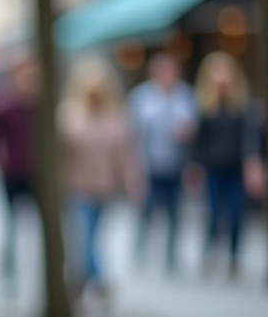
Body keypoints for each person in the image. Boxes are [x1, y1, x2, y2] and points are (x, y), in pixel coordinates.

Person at [58, 59, 143, 301]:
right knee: (83, 237)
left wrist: (133, 184)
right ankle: (99, 278)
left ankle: (79, 279)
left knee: (93, 238)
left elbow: (126, 157)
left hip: (105, 189)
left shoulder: (116, 118)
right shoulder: (69, 116)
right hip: (77, 188)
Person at [192, 52, 262, 278]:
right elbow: (199, 143)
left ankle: (233, 257)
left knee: (236, 214)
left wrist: (253, 165)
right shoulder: (205, 108)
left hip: (236, 170)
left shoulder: (244, 108)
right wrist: (196, 167)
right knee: (213, 213)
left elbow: (250, 140)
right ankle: (210, 252)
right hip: (213, 169)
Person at [127, 53, 196, 271]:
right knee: (146, 210)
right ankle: (140, 251)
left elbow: (194, 129)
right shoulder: (141, 96)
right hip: (149, 165)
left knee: (175, 211)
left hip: (176, 165)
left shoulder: (186, 95)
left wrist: (187, 132)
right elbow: (132, 133)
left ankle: (171, 255)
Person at [0, 57, 39, 298]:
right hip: (12, 174)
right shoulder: (6, 107)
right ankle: (9, 272)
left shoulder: (41, 107)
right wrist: (1, 162)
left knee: (39, 228)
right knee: (10, 225)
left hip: (38, 175)